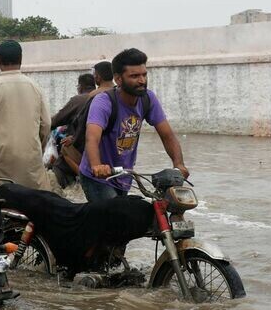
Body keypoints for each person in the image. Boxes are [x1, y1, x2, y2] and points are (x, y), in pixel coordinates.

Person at [80, 48, 189, 201]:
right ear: (118, 79)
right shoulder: (103, 102)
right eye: (134, 76)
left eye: (144, 74)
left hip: (124, 175)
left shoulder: (148, 99)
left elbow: (167, 135)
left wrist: (179, 165)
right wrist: (97, 166)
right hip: (98, 178)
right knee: (113, 217)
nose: (142, 80)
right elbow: (92, 138)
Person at [0, 41, 51, 197]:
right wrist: (36, 148)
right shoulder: (34, 87)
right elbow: (46, 124)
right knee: (36, 203)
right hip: (29, 159)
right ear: (21, 59)